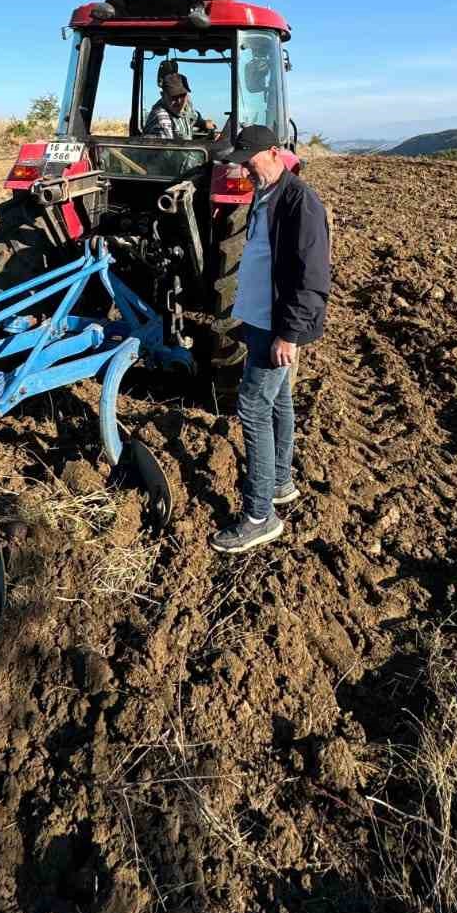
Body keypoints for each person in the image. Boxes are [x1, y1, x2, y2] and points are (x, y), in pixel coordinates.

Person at [210, 125, 331, 554]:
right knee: (278, 401)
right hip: (261, 320)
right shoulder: (265, 193)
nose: (244, 165)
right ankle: (280, 482)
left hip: (277, 326)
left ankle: (259, 516)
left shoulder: (301, 201)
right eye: (240, 158)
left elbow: (312, 277)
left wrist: (289, 334)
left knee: (253, 407)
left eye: (250, 157)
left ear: (275, 152)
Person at [143, 72, 209, 140]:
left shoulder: (185, 106)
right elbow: (168, 149)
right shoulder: (162, 119)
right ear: (163, 95)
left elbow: (194, 117)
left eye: (182, 95)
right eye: (174, 96)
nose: (179, 101)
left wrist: (206, 124)